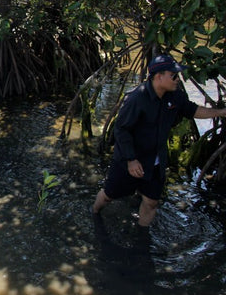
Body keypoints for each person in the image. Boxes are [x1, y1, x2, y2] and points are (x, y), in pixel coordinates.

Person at [93, 54, 226, 229]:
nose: (178, 79)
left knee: (151, 202)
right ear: (158, 77)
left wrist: (220, 112)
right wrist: (131, 160)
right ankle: (94, 213)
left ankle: (141, 236)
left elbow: (192, 110)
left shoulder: (175, 96)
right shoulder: (136, 98)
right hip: (129, 160)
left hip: (155, 162)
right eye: (174, 75)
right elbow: (121, 129)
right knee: (109, 195)